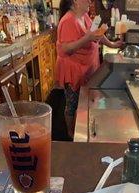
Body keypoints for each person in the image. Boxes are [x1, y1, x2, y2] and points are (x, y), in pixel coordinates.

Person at [55, 0, 122, 139]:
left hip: (86, 67)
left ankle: (80, 127)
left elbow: (97, 33)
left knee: (82, 100)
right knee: (72, 103)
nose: (89, 1)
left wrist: (112, 44)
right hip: (73, 69)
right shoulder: (68, 20)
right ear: (75, 2)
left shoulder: (84, 16)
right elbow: (66, 48)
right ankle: (70, 133)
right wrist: (87, 38)